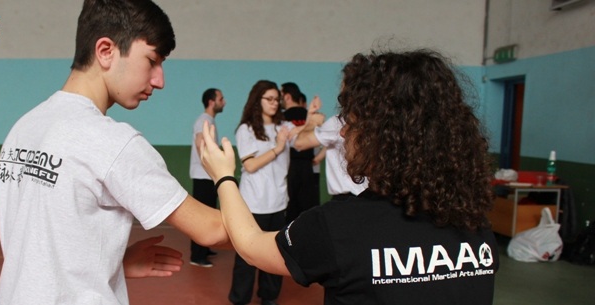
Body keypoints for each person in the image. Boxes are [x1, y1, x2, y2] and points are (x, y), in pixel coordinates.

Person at [200, 49, 499, 305]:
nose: (343, 132)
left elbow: (252, 246)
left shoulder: (339, 227)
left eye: (351, 122)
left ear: (384, 137)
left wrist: (223, 177)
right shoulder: (476, 225)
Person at [0, 1, 229, 304]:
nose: (159, 80)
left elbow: (39, 253)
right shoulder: (113, 142)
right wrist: (224, 176)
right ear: (106, 51)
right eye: (152, 61)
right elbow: (212, 231)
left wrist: (110, 264)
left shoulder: (23, 127)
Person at [229, 80, 290, 305]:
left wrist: (312, 116)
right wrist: (277, 148)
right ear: (258, 100)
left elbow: (304, 136)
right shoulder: (246, 129)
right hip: (253, 203)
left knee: (275, 254)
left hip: (279, 201)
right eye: (269, 99)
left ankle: (269, 297)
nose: (274, 103)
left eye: (277, 99)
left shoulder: (283, 126)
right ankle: (240, 299)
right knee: (247, 255)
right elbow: (250, 165)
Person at [188, 88, 226, 267]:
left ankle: (204, 248)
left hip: (208, 176)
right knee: (202, 217)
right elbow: (200, 145)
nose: (223, 102)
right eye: (221, 98)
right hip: (203, 177)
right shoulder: (203, 121)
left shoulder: (209, 121)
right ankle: (197, 256)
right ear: (212, 102)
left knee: (209, 213)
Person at [293, 110, 368, 200]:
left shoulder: (338, 122)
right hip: (373, 196)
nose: (342, 133)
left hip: (347, 199)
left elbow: (299, 143)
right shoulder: (377, 120)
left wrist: (312, 122)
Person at [281, 83, 320, 222]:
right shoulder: (309, 117)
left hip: (288, 166)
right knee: (308, 208)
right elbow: (324, 138)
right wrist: (319, 157)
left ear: (287, 96)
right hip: (307, 167)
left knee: (290, 207)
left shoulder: (281, 117)